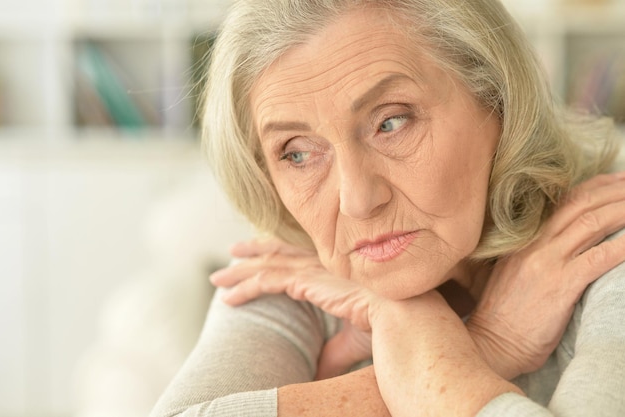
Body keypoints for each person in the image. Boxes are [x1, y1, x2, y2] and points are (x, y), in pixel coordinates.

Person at [150, 0, 625, 415]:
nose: (357, 202)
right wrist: (485, 342)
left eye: (392, 122)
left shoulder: (603, 239)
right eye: (296, 152)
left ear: (497, 100)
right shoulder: (295, 268)